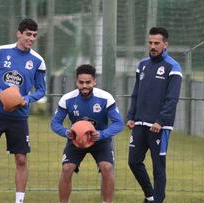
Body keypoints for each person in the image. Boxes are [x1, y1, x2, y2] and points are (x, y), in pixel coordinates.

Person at [0, 18, 46, 203]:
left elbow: (41, 90)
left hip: (19, 117)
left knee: (21, 160)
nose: (31, 39)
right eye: (28, 35)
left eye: (34, 36)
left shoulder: (38, 61)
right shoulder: (0, 51)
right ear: (19, 33)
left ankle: (19, 201)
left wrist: (27, 99)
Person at [50, 64, 124, 203]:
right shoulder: (67, 99)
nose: (84, 86)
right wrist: (67, 132)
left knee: (107, 168)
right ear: (76, 82)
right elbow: (54, 123)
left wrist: (101, 134)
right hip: (76, 141)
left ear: (94, 81)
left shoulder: (105, 98)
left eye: (88, 82)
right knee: (66, 169)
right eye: (81, 82)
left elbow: (119, 123)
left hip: (100, 141)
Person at [127, 27, 182, 203]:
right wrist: (131, 116)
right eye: (150, 42)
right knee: (133, 161)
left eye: (157, 43)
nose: (153, 46)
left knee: (158, 167)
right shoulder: (142, 65)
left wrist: (160, 121)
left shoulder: (173, 67)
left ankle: (158, 200)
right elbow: (136, 93)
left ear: (165, 44)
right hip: (139, 124)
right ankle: (150, 196)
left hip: (160, 126)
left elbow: (172, 99)